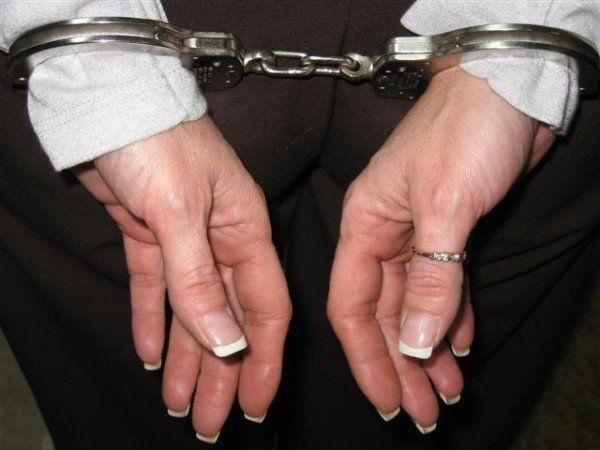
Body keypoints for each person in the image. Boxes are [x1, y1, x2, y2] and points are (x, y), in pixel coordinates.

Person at [0, 1, 598, 449]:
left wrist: (100, 80)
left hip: (119, 40)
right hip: (500, 55)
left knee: (144, 403)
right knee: (411, 389)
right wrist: (522, 51)